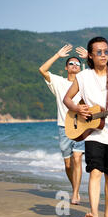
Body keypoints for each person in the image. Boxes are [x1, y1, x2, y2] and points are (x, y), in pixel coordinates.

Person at [63, 36, 108, 217]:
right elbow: (67, 99)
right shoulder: (83, 77)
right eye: (99, 52)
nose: (103, 55)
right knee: (94, 171)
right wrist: (77, 109)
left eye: (106, 51)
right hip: (93, 133)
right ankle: (94, 214)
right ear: (91, 56)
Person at [39, 44, 86, 205]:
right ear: (66, 68)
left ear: (81, 69)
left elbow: (101, 75)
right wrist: (57, 55)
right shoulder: (58, 82)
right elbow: (42, 70)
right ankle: (75, 187)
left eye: (78, 64)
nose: (74, 65)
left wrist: (89, 59)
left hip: (81, 126)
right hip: (63, 126)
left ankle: (75, 193)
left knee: (78, 158)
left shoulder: (85, 82)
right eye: (71, 63)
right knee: (68, 163)